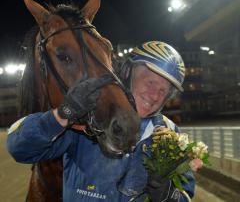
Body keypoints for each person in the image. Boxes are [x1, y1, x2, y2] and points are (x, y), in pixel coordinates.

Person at [7, 41, 195, 202]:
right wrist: (63, 114)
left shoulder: (171, 134)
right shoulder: (89, 119)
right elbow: (20, 148)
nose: (154, 95)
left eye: (163, 90)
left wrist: (170, 196)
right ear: (128, 74)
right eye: (150, 82)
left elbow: (186, 194)